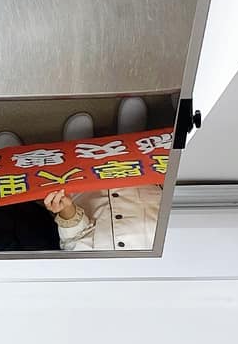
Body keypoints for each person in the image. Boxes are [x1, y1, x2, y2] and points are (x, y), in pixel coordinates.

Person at [42, 101, 160, 252]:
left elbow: (74, 240)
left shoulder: (90, 272)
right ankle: (131, 138)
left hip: (87, 185)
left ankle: (80, 149)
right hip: (140, 178)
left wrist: (67, 211)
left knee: (78, 170)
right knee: (138, 157)